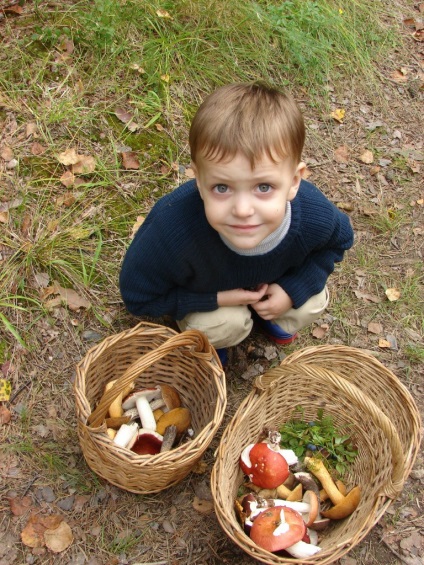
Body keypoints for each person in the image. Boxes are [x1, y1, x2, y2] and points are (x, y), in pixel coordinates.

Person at [119, 83, 354, 365]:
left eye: (264, 187)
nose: (243, 210)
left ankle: (275, 321)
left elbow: (338, 242)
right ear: (199, 182)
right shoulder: (173, 228)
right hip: (212, 297)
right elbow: (137, 296)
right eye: (221, 188)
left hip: (274, 286)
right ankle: (214, 338)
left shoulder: (314, 215)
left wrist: (294, 289)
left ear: (293, 182)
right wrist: (217, 299)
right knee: (225, 323)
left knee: (312, 300)